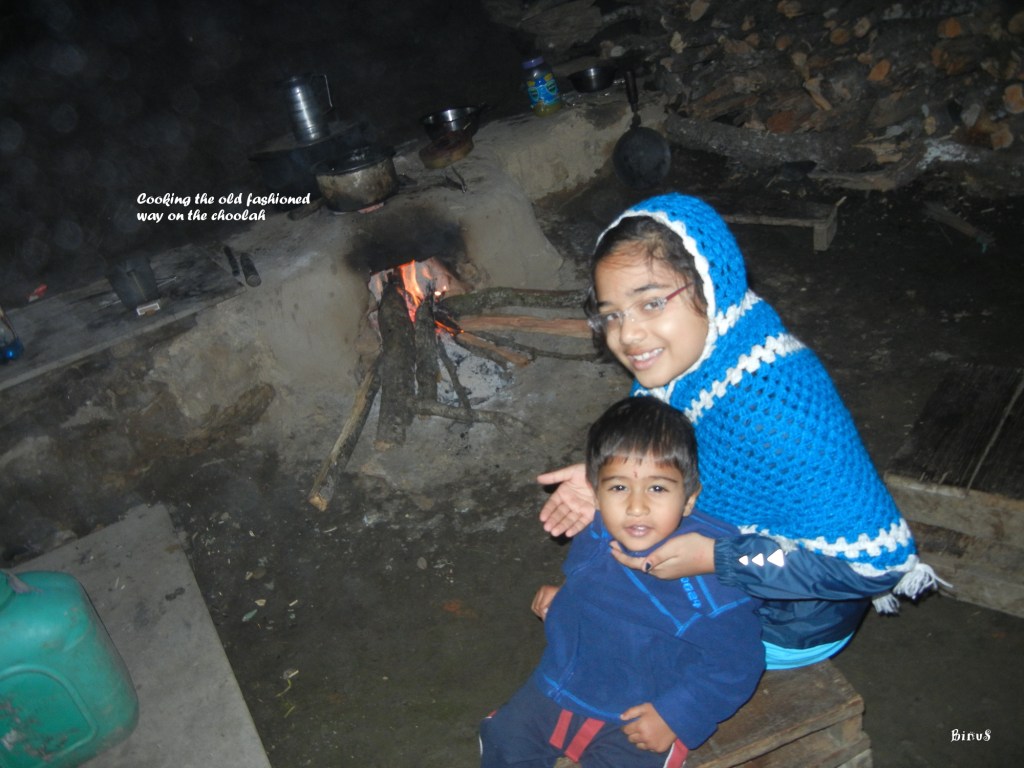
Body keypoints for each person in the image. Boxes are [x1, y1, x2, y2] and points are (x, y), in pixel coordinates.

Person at [538, 193, 944, 671]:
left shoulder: (776, 411)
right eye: (612, 314)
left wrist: (717, 558)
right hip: (737, 554)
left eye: (650, 303)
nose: (627, 335)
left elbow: (876, 567)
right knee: (611, 530)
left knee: (598, 632)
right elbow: (669, 444)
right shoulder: (695, 360)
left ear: (712, 287)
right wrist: (602, 475)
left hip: (789, 619)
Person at [481, 396, 765, 768]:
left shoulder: (709, 580)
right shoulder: (598, 531)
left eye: (658, 488)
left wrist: (675, 715)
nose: (636, 506)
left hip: (639, 713)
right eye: (618, 488)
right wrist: (566, 602)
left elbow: (739, 662)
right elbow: (596, 587)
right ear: (595, 494)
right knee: (504, 740)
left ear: (690, 499)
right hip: (564, 680)